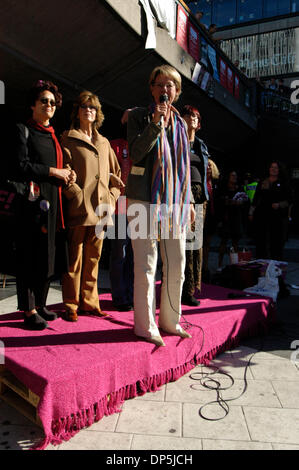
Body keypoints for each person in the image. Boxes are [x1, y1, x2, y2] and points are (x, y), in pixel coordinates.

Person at [125, 64, 195, 347]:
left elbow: (184, 168)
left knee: (177, 262)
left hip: (175, 202)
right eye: (160, 84)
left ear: (176, 92)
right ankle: (146, 326)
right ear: (151, 88)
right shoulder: (139, 117)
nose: (165, 89)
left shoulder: (180, 124)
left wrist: (188, 201)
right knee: (146, 265)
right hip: (143, 198)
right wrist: (155, 123)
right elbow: (136, 153)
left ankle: (170, 320)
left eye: (171, 85)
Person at [13, 80, 73, 330]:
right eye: (43, 101)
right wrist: (53, 171)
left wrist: (67, 173)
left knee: (48, 258)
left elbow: (57, 171)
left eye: (52, 102)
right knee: (30, 256)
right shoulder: (22, 130)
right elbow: (20, 166)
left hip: (54, 206)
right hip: (33, 205)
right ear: (33, 105)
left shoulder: (53, 135)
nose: (49, 105)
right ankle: (28, 310)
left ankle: (41, 303)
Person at [61, 91, 121, 322]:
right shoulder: (67, 138)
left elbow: (116, 175)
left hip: (102, 210)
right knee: (74, 259)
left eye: (93, 107)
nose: (89, 110)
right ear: (77, 111)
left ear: (98, 113)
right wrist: (75, 195)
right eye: (84, 106)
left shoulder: (105, 142)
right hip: (79, 209)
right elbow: (63, 172)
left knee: (94, 258)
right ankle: (71, 303)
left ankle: (90, 302)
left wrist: (113, 197)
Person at [180, 105, 209, 306]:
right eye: (189, 115)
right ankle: (178, 287)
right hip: (181, 194)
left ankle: (190, 289)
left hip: (200, 196)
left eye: (196, 116)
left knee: (195, 243)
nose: (192, 118)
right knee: (180, 243)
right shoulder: (176, 141)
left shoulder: (201, 146)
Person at [109, 109, 134, 311]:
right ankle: (119, 296)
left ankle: (132, 294)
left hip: (140, 206)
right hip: (118, 206)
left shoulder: (142, 146)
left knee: (136, 255)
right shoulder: (114, 145)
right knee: (119, 252)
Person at [249, 161, 291, 260]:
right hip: (262, 216)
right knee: (261, 241)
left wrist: (279, 205)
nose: (273, 169)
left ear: (279, 170)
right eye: (272, 167)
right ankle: (261, 264)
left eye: (276, 167)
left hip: (278, 217)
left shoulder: (284, 183)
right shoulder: (263, 182)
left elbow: (290, 200)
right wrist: (251, 212)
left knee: (276, 242)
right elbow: (256, 198)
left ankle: (275, 266)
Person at [217, 170, 247, 268]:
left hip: (236, 217)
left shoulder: (240, 188)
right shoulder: (223, 188)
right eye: (232, 175)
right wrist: (231, 202)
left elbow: (245, 200)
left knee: (235, 242)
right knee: (224, 241)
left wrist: (241, 202)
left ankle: (234, 264)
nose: (234, 177)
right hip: (226, 217)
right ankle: (219, 264)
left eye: (235, 176)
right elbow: (221, 201)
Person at [202, 159, 220, 281]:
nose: (208, 168)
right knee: (199, 243)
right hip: (201, 215)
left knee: (208, 243)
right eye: (206, 166)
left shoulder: (216, 183)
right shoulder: (200, 181)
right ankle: (200, 267)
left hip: (212, 216)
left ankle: (206, 266)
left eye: (210, 166)